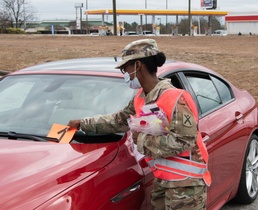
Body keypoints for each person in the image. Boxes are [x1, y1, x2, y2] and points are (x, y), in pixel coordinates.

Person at [68, 39, 211, 210]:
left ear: (138, 65)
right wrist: (83, 123)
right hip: (163, 181)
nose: (125, 74)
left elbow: (184, 141)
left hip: (186, 186)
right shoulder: (141, 98)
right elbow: (119, 120)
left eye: (124, 69)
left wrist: (141, 140)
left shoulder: (174, 98)